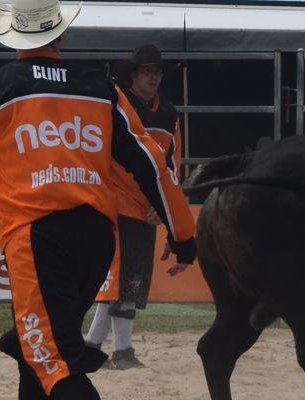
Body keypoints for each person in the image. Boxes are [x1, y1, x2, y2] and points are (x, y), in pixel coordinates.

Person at [0, 0, 195, 400]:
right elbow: (153, 165)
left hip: (35, 237)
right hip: (95, 238)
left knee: (51, 359)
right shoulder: (100, 88)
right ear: (61, 29)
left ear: (13, 31)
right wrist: (183, 234)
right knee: (38, 348)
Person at [84, 44, 182, 370]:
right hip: (116, 202)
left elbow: (172, 164)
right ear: (134, 74)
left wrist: (163, 205)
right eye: (147, 71)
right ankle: (120, 351)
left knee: (126, 282)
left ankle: (93, 348)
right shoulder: (116, 105)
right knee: (123, 281)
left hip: (145, 208)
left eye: (158, 71)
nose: (153, 76)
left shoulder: (168, 113)